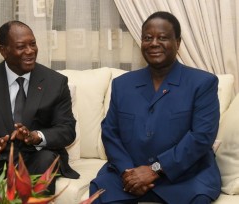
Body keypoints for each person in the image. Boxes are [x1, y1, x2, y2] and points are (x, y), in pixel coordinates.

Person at [89, 11, 221, 204]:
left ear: (178, 42)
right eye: (147, 38)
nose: (153, 43)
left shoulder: (202, 83)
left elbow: (201, 137)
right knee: (99, 196)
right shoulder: (122, 85)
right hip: (129, 175)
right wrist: (128, 172)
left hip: (185, 176)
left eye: (163, 37)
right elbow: (110, 132)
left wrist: (154, 169)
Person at [0, 20, 79, 194]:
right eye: (21, 46)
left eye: (33, 44)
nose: (30, 51)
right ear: (3, 50)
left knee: (47, 159)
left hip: (34, 157)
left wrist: (36, 136)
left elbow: (67, 129)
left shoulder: (55, 82)